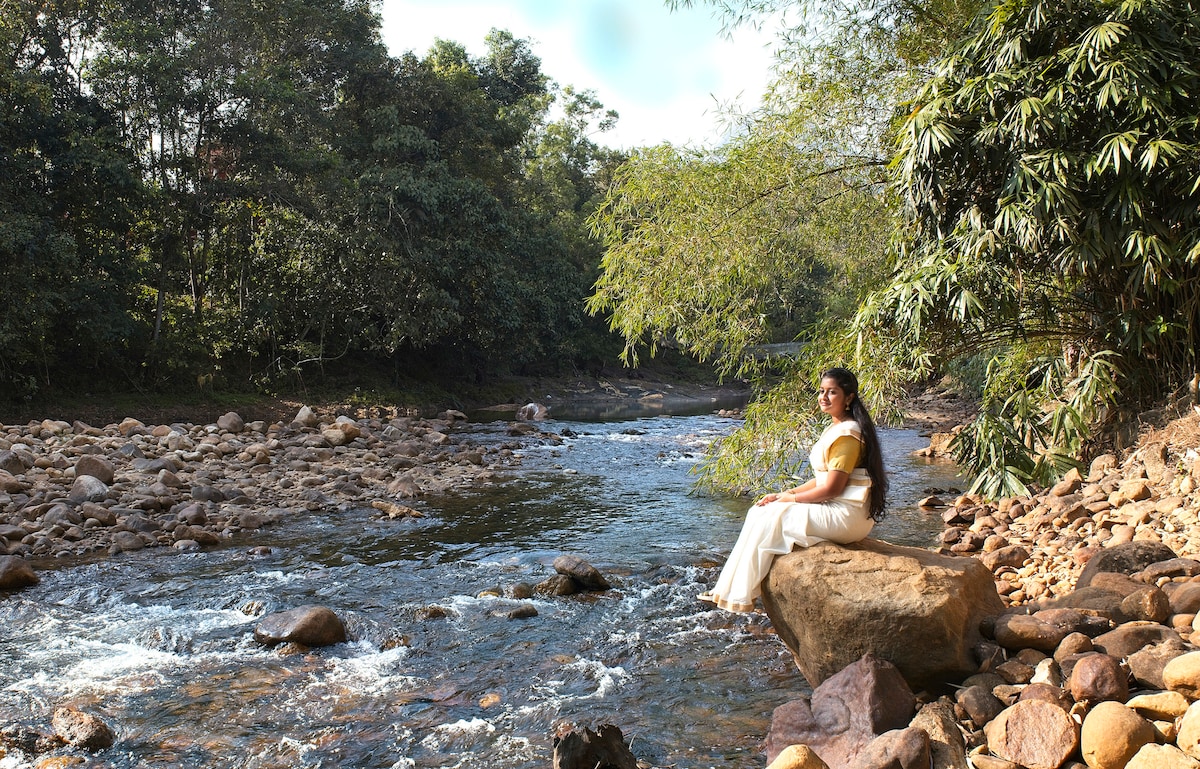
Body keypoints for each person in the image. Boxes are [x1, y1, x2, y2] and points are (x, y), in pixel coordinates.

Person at [698, 367, 888, 612]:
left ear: (849, 397)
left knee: (772, 516)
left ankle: (741, 595)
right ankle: (727, 590)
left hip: (847, 516)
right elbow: (822, 479)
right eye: (821, 391)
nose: (824, 397)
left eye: (832, 392)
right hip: (840, 508)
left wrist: (791, 498)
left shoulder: (848, 434)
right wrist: (782, 495)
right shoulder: (837, 428)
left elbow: (831, 488)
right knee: (759, 511)